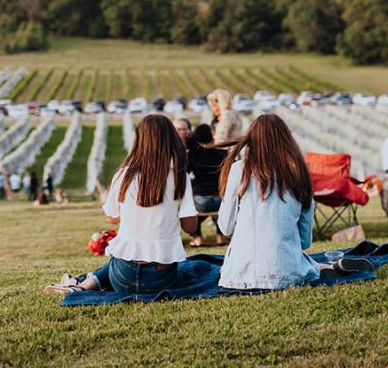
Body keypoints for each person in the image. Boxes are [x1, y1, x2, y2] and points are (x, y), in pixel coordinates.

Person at [47, 114, 197, 295]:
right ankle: (80, 285)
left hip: (121, 278)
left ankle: (81, 285)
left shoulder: (123, 175)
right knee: (189, 268)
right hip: (161, 279)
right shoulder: (180, 177)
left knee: (121, 256)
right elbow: (190, 227)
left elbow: (111, 218)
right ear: (172, 140)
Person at [216, 114, 320, 291]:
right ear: (287, 139)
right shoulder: (300, 172)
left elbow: (225, 228)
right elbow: (305, 242)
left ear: (252, 140)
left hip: (241, 277)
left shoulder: (239, 170)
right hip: (289, 274)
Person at [186, 123, 229, 247]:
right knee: (218, 211)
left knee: (190, 208)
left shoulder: (193, 155)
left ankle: (197, 238)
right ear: (211, 137)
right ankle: (220, 237)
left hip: (201, 201)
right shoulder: (223, 154)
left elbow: (184, 174)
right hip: (220, 200)